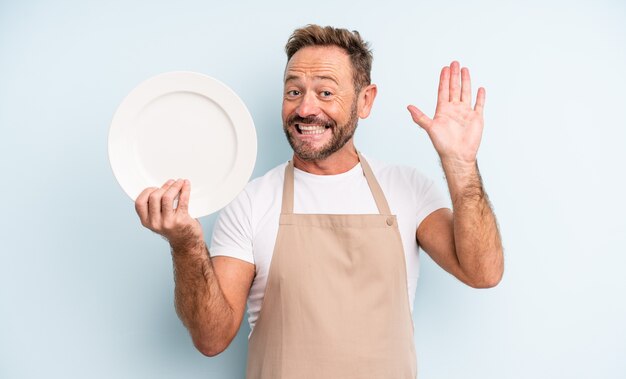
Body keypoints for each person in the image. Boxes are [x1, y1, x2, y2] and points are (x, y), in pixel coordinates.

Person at [134, 24, 504, 379]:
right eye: (293, 92)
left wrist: (460, 165)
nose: (306, 109)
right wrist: (185, 244)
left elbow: (483, 272)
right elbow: (211, 339)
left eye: (326, 93)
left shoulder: (407, 189)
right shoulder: (251, 202)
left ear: (365, 100)